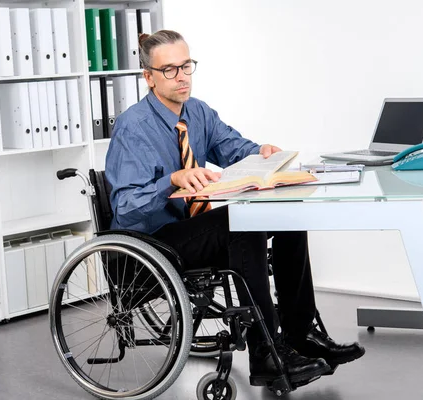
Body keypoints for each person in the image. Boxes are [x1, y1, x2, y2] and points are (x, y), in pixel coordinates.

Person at [105, 29, 365, 387]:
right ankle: (266, 354)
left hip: (188, 229)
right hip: (153, 241)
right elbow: (125, 206)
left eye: (186, 66)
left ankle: (300, 334)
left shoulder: (197, 112)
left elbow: (233, 147)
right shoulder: (133, 127)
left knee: (285, 211)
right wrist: (172, 180)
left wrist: (263, 154)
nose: (181, 76)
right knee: (240, 223)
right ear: (148, 77)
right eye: (169, 70)